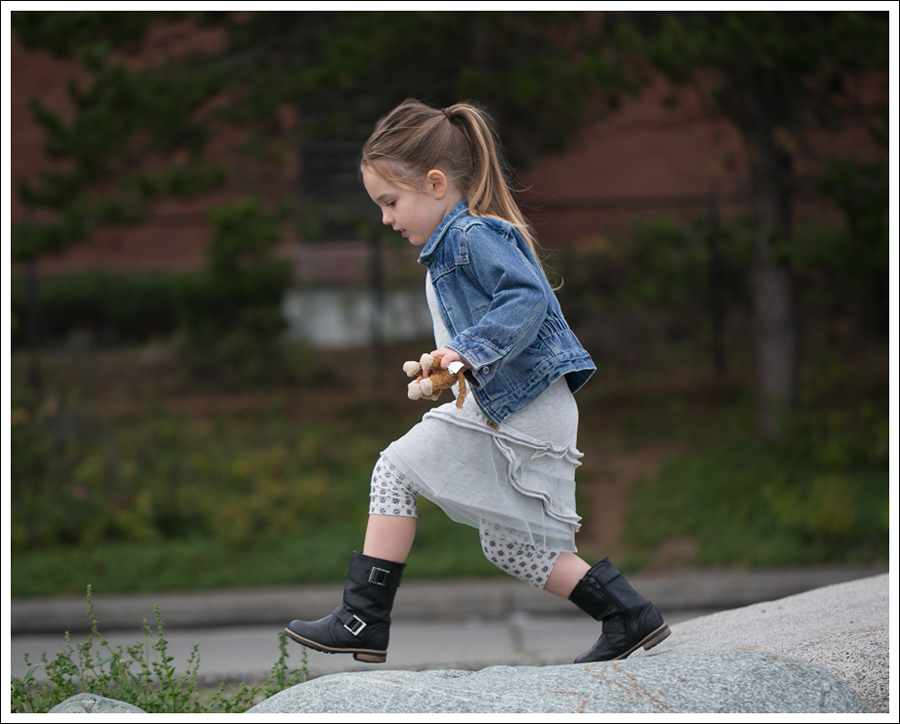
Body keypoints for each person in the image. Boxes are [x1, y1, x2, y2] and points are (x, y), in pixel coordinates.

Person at [285, 99, 670, 665]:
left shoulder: (470, 237)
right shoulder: (450, 247)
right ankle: (628, 615)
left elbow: (526, 297)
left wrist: (469, 350)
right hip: (517, 405)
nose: (386, 218)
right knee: (511, 546)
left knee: (393, 470)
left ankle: (363, 618)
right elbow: (489, 323)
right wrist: (453, 364)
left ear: (436, 183)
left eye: (391, 202)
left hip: (526, 407)